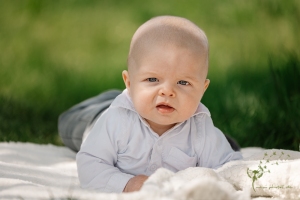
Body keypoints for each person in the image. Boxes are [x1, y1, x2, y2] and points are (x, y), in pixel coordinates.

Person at [58, 15, 242, 193]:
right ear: (128, 82)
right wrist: (126, 184)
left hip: (142, 101)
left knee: (213, 143)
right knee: (66, 123)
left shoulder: (201, 129)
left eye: (183, 83)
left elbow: (231, 168)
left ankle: (220, 141)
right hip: (95, 118)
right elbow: (90, 163)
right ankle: (108, 99)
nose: (167, 91)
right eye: (153, 79)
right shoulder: (115, 120)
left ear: (203, 89)